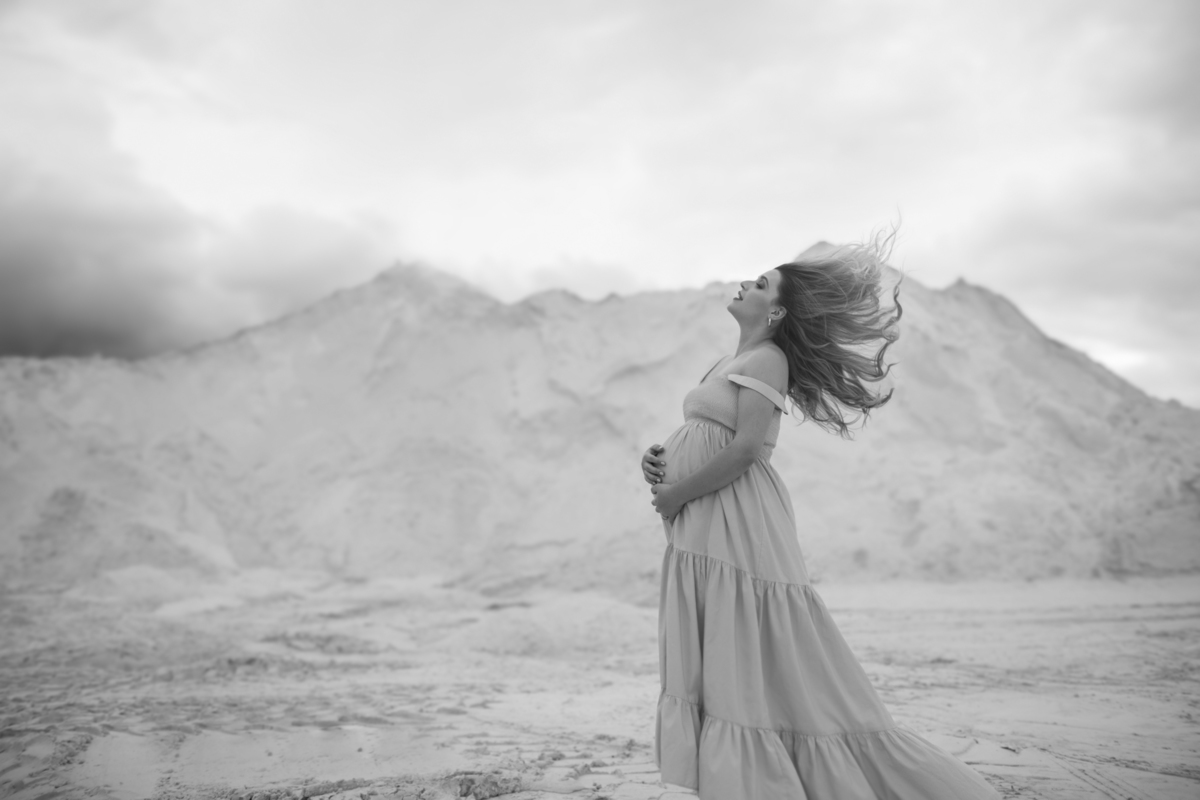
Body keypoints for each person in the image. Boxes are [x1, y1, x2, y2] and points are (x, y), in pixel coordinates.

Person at [640, 234, 999, 799]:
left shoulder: (768, 358)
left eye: (760, 284)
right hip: (704, 513)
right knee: (728, 642)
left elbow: (748, 449)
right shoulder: (729, 360)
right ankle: (736, 775)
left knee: (758, 642)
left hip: (734, 515)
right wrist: (660, 462)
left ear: (777, 311)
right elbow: (708, 434)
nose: (746, 283)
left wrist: (680, 491)